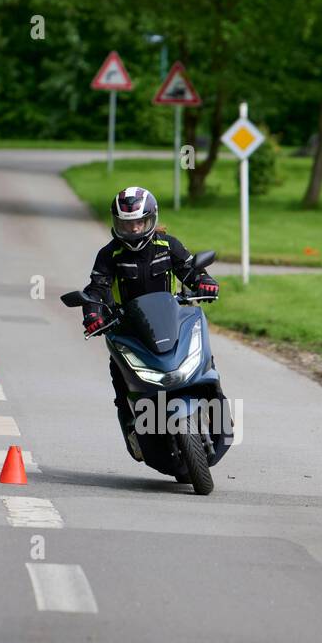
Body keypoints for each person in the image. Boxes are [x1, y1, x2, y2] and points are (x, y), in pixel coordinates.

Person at [82, 186, 219, 460]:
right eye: (126, 224)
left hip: (170, 321)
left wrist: (205, 282)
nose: (133, 230)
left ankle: (216, 410)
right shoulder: (109, 255)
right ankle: (133, 431)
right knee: (122, 384)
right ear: (116, 223)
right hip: (127, 329)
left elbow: (191, 271)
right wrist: (93, 315)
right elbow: (96, 289)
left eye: (138, 223)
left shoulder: (168, 245)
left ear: (151, 219)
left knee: (205, 360)